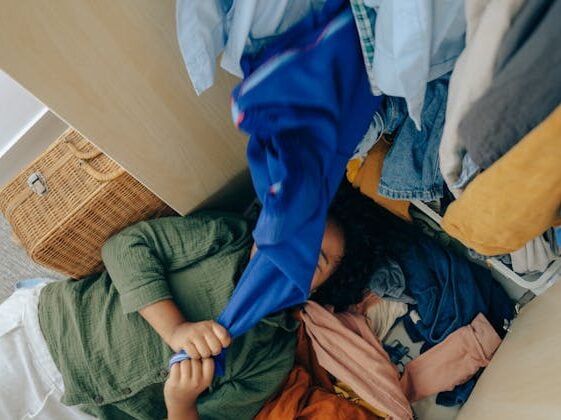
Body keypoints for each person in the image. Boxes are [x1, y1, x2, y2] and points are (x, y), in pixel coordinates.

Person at [0, 201, 376, 419]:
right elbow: (125, 247)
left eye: (317, 261)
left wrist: (179, 401)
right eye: (296, 235)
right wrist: (175, 328)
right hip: (46, 333)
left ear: (318, 288)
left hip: (85, 414)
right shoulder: (224, 238)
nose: (297, 255)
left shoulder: (271, 357)